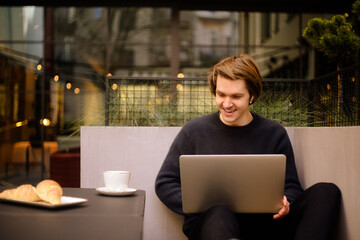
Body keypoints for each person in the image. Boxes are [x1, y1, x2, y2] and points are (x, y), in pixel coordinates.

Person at [155, 54, 341, 240]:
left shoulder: (274, 133)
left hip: (266, 225)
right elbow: (165, 182)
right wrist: (197, 204)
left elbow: (291, 187)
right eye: (221, 95)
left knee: (327, 191)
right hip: (214, 225)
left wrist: (286, 202)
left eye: (236, 96)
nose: (226, 104)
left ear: (252, 95)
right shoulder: (194, 131)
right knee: (220, 211)